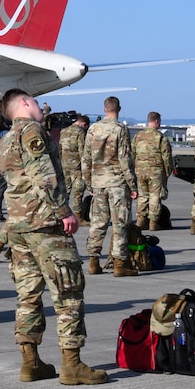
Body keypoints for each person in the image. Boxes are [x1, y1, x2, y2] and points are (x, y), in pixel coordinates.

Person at [0, 89, 101, 383]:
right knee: (68, 292)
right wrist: (64, 211)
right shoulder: (32, 131)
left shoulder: (4, 141)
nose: (41, 107)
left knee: (28, 295)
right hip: (44, 225)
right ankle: (72, 364)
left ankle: (30, 362)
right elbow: (44, 175)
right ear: (25, 103)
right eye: (36, 101)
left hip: (18, 227)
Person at [82, 97, 138, 276]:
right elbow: (125, 159)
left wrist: (88, 182)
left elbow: (86, 158)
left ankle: (93, 261)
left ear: (104, 109)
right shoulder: (120, 129)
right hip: (117, 183)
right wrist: (132, 185)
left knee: (98, 223)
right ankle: (120, 264)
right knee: (119, 223)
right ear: (119, 109)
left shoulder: (93, 128)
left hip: (98, 183)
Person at [133, 112, 174, 231]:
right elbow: (167, 158)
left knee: (142, 196)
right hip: (155, 171)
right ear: (156, 121)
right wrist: (166, 173)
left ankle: (141, 219)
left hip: (140, 171)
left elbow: (132, 153)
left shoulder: (138, 136)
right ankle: (153, 222)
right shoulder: (160, 137)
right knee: (155, 196)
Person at [58, 116, 88, 225]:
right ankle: (77, 216)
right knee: (78, 193)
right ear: (83, 124)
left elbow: (60, 149)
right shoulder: (80, 133)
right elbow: (82, 152)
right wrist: (86, 169)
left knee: (64, 192)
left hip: (64, 165)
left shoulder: (63, 131)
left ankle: (62, 215)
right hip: (77, 167)